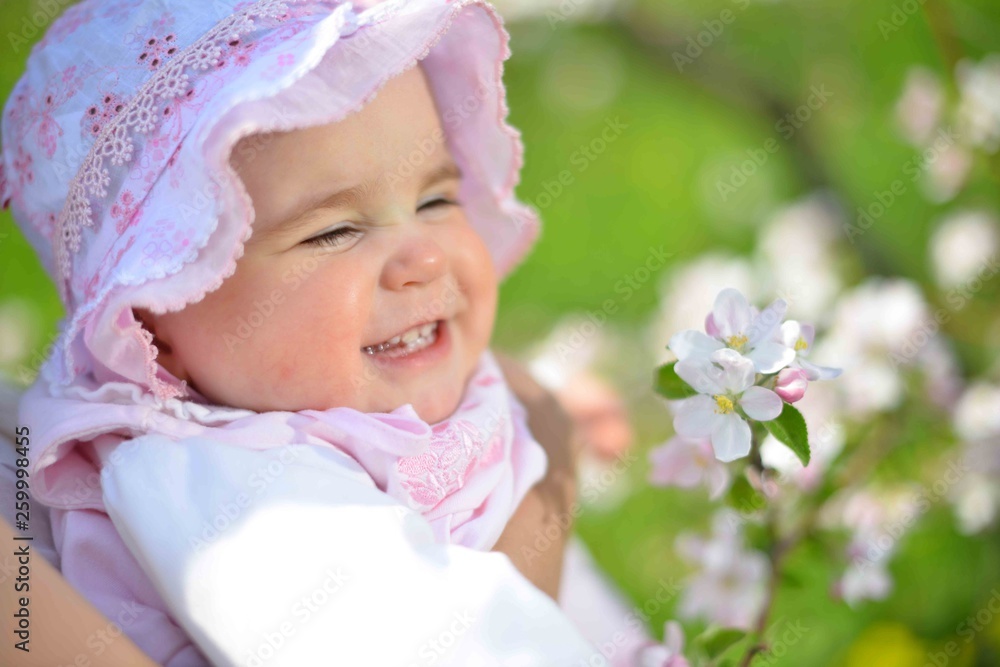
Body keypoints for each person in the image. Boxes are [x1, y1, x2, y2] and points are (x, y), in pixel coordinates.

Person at [0, 0, 649, 664]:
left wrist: (540, 402)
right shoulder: (237, 496)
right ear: (153, 324)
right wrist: (550, 467)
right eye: (334, 231)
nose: (425, 258)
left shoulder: (312, 390)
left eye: (435, 200)